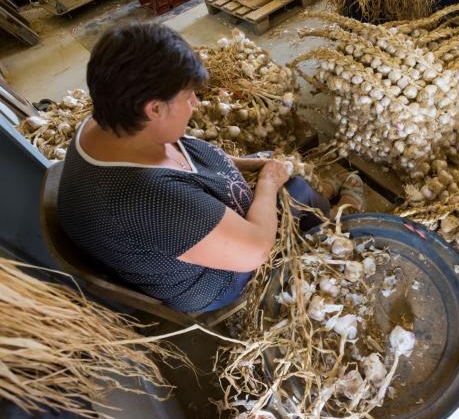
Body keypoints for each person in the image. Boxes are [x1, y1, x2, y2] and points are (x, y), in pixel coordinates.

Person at [57, 23, 363, 314]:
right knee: (294, 190)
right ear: (154, 109)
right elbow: (256, 250)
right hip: (213, 277)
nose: (196, 104)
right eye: (187, 97)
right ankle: (336, 227)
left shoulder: (109, 119)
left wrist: (248, 164)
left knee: (275, 162)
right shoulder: (145, 199)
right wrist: (267, 182)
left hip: (180, 224)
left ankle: (321, 198)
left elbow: (186, 156)